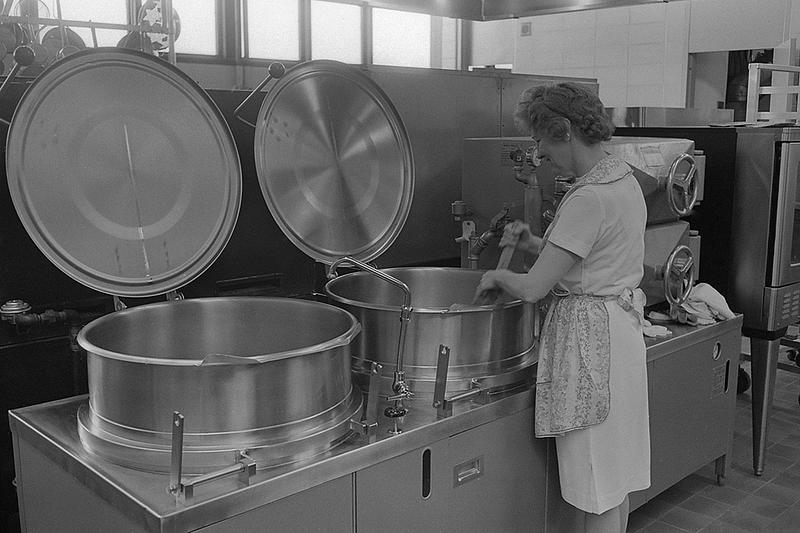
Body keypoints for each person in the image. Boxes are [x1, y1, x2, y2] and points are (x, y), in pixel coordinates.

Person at [474, 82, 650, 533]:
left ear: (563, 130)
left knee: (595, 485)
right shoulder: (621, 177)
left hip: (592, 348)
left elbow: (534, 288)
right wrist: (531, 241)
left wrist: (497, 276)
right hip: (619, 337)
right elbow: (580, 256)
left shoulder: (588, 198)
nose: (538, 152)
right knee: (614, 484)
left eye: (539, 139)